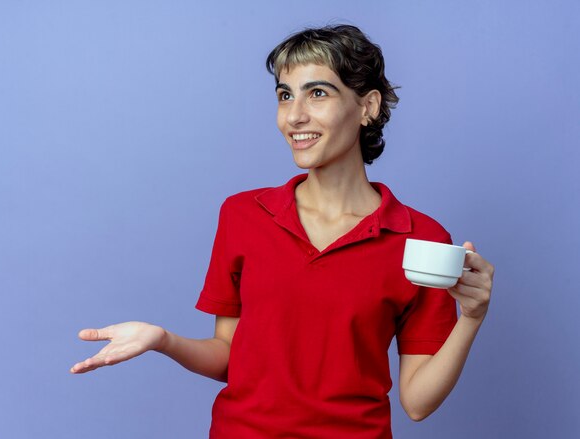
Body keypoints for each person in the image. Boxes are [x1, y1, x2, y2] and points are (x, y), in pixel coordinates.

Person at [70, 24, 495, 438]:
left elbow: (418, 403)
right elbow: (228, 358)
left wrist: (471, 319)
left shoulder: (421, 239)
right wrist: (162, 339)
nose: (294, 116)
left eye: (318, 93)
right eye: (285, 95)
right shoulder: (243, 214)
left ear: (367, 106)